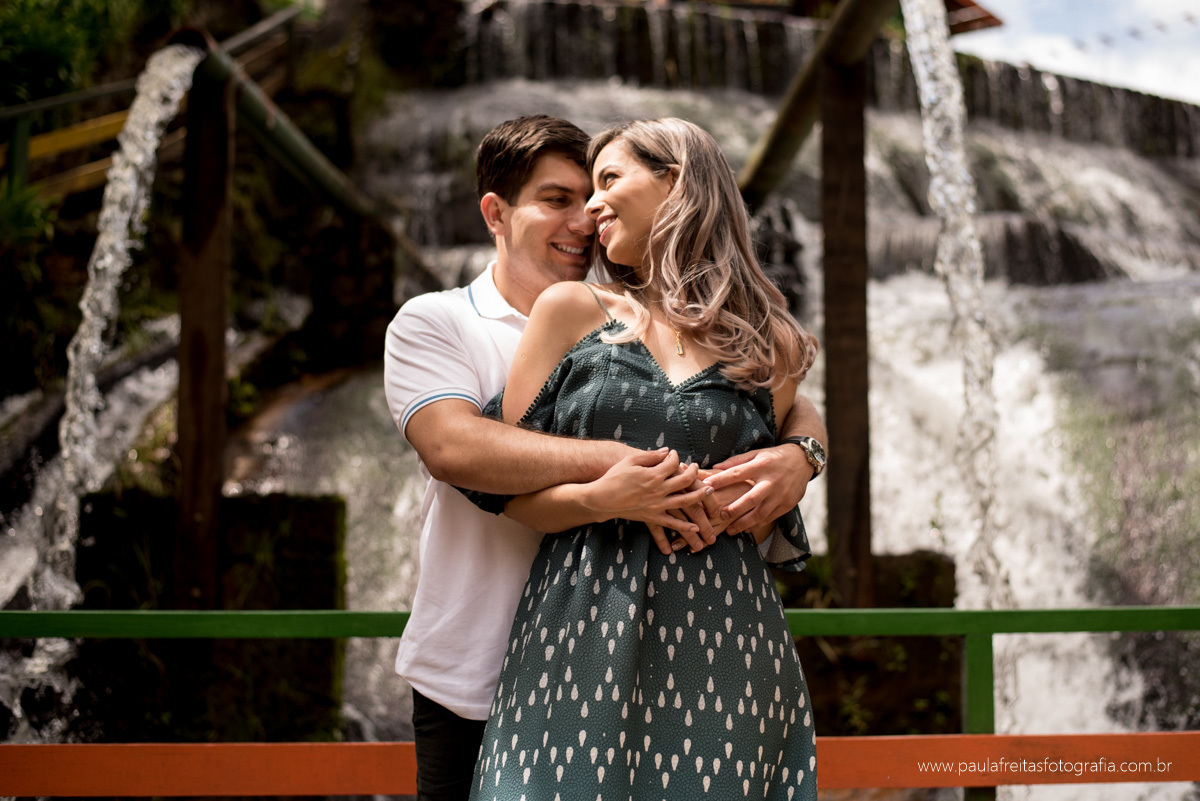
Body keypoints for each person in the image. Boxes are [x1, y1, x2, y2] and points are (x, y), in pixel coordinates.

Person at [383, 115, 826, 801]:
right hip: (509, 654)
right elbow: (453, 447)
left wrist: (804, 451)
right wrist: (616, 475)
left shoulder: (764, 341)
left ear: (675, 183)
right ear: (495, 214)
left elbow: (765, 458)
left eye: (600, 186)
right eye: (559, 198)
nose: (587, 213)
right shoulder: (446, 320)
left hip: (716, 639)